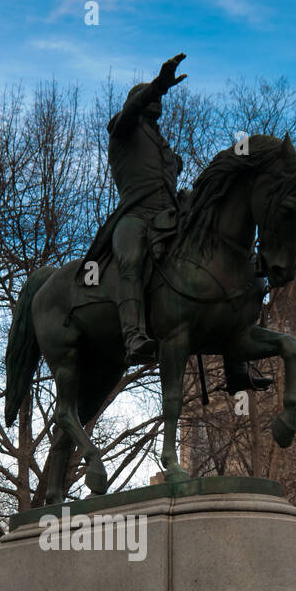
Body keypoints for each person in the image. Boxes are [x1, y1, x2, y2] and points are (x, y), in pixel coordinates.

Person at [82, 54, 188, 366]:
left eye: (158, 101)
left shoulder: (162, 146)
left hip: (170, 218)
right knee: (131, 260)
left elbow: (175, 167)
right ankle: (133, 335)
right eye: (150, 100)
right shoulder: (123, 129)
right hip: (136, 216)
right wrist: (158, 86)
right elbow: (130, 112)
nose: (157, 105)